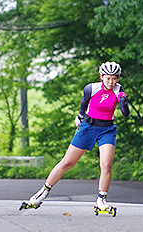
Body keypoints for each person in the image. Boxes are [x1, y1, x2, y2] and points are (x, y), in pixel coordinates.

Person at [21, 61, 129, 211]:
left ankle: (101, 200)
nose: (111, 82)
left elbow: (125, 114)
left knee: (106, 164)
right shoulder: (91, 88)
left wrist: (123, 102)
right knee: (67, 163)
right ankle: (41, 194)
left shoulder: (119, 90)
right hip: (88, 128)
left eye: (114, 78)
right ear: (101, 76)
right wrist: (79, 118)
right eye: (108, 78)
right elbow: (83, 105)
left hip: (107, 130)